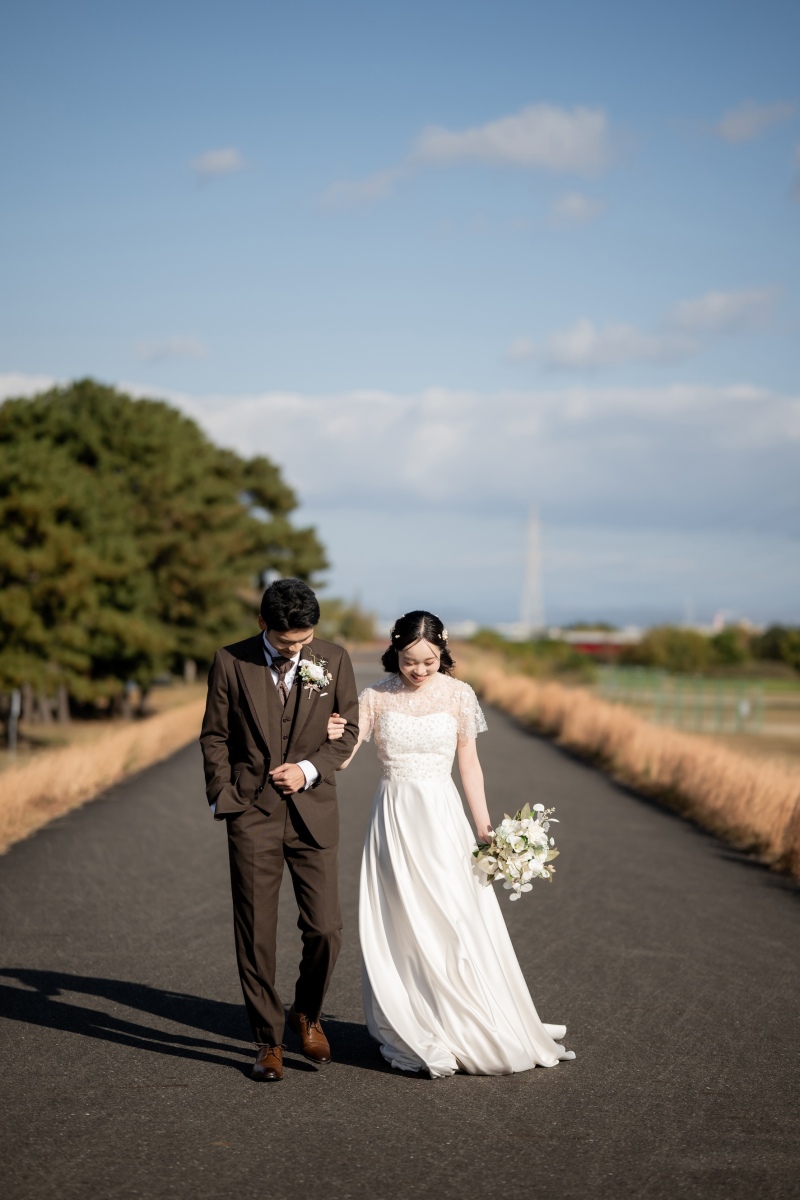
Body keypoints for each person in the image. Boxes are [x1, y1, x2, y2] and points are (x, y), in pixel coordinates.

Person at [327, 610, 575, 1077]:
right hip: (395, 819)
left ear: (443, 653)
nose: (420, 670)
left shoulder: (459, 695)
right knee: (405, 920)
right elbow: (343, 761)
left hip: (442, 817)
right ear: (394, 652)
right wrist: (335, 734)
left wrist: (484, 828)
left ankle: (470, 1015)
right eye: (410, 661)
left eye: (430, 660)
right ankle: (419, 1019)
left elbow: (470, 767)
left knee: (454, 914)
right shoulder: (376, 697)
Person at [200, 578, 359, 1082]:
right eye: (288, 642)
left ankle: (306, 1014)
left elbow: (349, 729)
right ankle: (267, 1042)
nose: (298, 649)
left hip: (314, 813)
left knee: (326, 930)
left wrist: (309, 769)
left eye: (305, 640)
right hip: (253, 815)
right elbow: (215, 735)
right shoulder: (230, 660)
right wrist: (227, 799)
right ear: (263, 624)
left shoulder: (332, 658)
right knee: (256, 936)